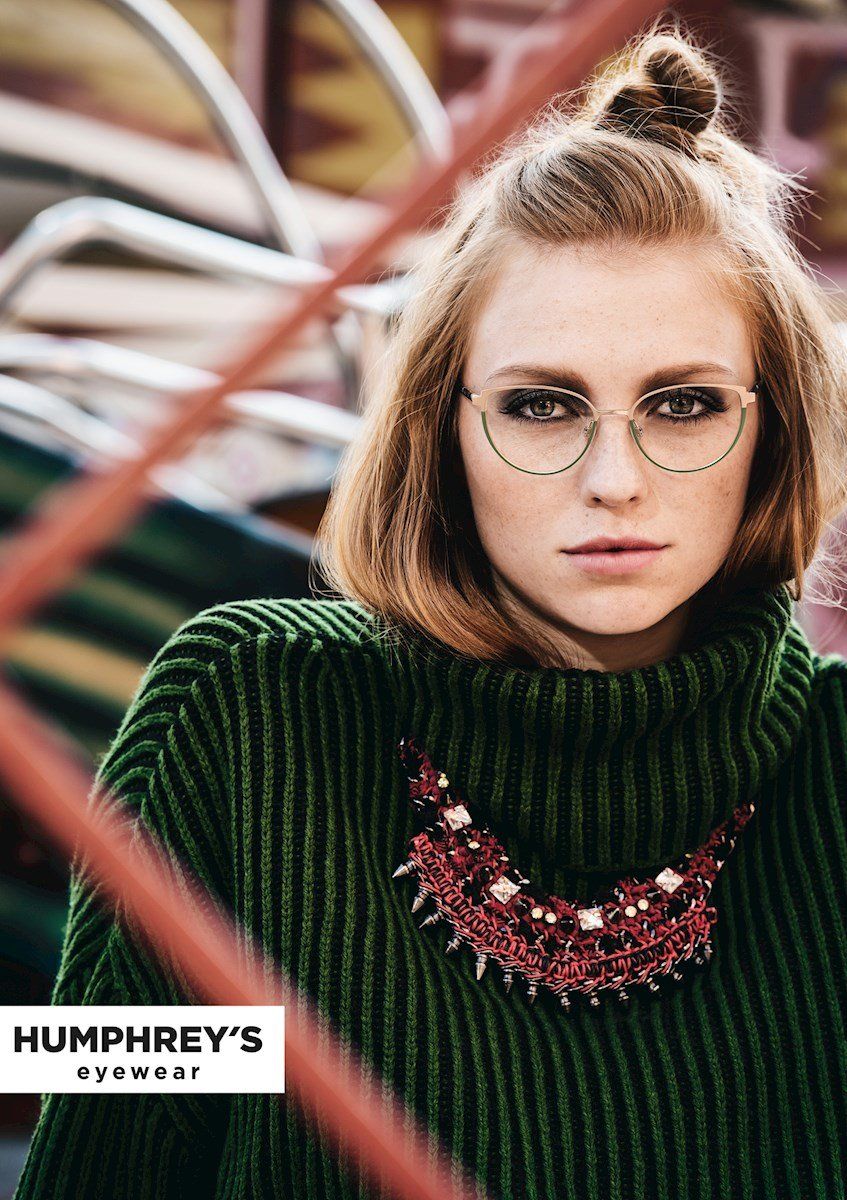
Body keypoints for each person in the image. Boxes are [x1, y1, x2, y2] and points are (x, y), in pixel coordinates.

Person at [13, 16, 847, 1200]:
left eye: (683, 404)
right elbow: (107, 1150)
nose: (615, 478)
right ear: (439, 431)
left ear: (773, 428)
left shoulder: (833, 774)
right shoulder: (251, 716)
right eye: (541, 406)